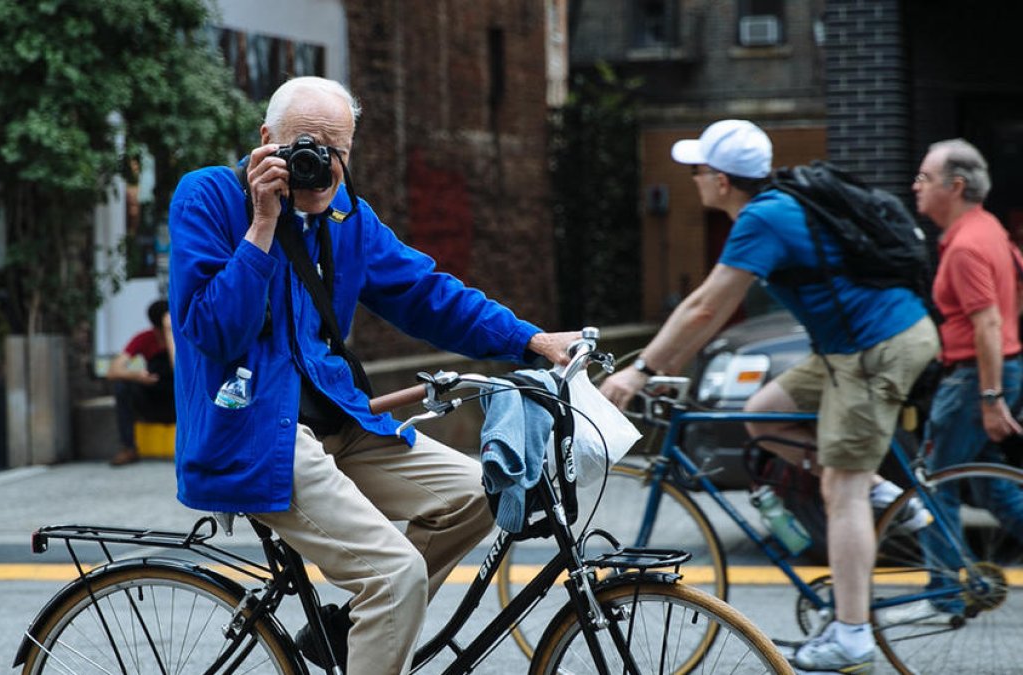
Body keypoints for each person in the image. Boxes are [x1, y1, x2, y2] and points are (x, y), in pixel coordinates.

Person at [166, 75, 577, 675]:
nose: (323, 166)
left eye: (337, 152)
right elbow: (209, 332)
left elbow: (429, 294)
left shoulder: (345, 219)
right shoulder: (208, 196)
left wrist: (533, 340)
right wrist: (260, 225)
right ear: (266, 139)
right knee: (395, 572)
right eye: (307, 147)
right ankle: (386, 604)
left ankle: (371, 626)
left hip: (343, 419)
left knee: (479, 492)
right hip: (253, 435)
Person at [599, 119, 939, 674]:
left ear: (722, 180)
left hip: (879, 346)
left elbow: (706, 307)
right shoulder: (773, 206)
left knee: (840, 487)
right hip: (847, 347)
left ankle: (853, 637)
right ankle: (885, 495)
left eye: (698, 170)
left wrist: (640, 370)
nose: (693, 179)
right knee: (761, 413)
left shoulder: (764, 219)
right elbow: (705, 307)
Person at [885, 138, 1023, 622]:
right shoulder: (990, 230)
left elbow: (987, 323)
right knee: (987, 485)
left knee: (935, 482)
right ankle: (945, 589)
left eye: (924, 177)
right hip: (994, 369)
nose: (915, 186)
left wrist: (989, 395)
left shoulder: (967, 245)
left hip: (972, 378)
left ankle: (943, 595)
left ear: (956, 186)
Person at [104, 299, 176, 466]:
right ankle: (128, 448)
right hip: (151, 399)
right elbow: (112, 371)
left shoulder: (181, 337)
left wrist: (170, 332)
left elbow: (178, 370)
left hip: (177, 401)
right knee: (122, 387)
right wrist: (136, 376)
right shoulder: (145, 338)